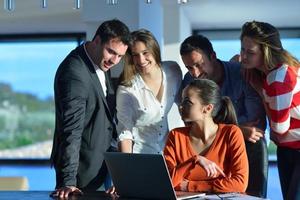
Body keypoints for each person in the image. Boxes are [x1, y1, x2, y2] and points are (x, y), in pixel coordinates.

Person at [50, 19, 131, 199]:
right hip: (82, 173)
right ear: (96, 41)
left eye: (120, 56)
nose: (114, 60)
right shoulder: (74, 73)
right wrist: (68, 182)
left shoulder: (100, 61)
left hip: (103, 165)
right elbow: (71, 130)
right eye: (111, 52)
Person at [180, 35, 268, 197]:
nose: (195, 73)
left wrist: (229, 132)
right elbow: (192, 123)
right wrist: (238, 129)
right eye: (189, 68)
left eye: (199, 65)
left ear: (213, 56)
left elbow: (256, 126)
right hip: (205, 151)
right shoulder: (189, 80)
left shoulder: (242, 74)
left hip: (246, 148)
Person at [240, 20, 300, 200]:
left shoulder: (277, 79)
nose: (243, 56)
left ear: (266, 52)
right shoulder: (285, 69)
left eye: (250, 52)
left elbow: (278, 131)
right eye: (242, 49)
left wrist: (260, 90)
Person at [164, 78, 249, 193]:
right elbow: (167, 182)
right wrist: (195, 160)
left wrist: (189, 186)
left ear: (207, 108)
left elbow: (239, 184)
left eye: (187, 102)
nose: (180, 106)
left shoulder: (231, 133)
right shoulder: (175, 135)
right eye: (182, 100)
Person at [116, 29, 182, 154]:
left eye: (145, 53)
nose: (141, 60)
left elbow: (184, 107)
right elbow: (125, 133)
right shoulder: (127, 89)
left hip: (167, 152)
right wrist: (127, 168)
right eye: (135, 55)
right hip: (140, 155)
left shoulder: (173, 70)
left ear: (154, 50)